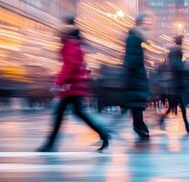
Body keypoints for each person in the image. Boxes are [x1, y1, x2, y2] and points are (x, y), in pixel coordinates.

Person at [38, 17, 111, 152]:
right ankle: (103, 134)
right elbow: (74, 65)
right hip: (73, 86)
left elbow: (70, 66)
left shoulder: (70, 45)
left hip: (71, 87)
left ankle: (50, 144)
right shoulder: (74, 44)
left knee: (64, 114)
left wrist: (58, 82)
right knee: (74, 113)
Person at [122, 14, 153, 139]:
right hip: (135, 76)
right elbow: (132, 58)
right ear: (139, 23)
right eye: (146, 21)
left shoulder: (137, 38)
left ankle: (140, 125)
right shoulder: (134, 38)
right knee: (136, 103)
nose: (148, 24)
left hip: (136, 75)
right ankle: (138, 126)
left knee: (138, 103)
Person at [159, 35, 189, 133]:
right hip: (176, 83)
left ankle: (163, 119)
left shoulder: (174, 50)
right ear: (179, 41)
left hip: (176, 82)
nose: (183, 42)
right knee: (180, 106)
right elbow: (177, 65)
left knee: (174, 105)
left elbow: (176, 64)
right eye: (182, 40)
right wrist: (187, 70)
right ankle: (187, 126)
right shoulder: (176, 50)